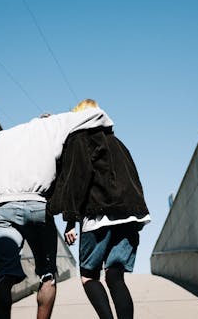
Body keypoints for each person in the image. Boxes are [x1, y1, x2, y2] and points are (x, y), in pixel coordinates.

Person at [0, 106, 113, 319]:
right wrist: (108, 132)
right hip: (38, 205)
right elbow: (98, 114)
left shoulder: (4, 136)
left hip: (3, 207)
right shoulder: (53, 124)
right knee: (47, 276)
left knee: (3, 275)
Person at [47, 99, 151, 319]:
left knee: (89, 276)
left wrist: (70, 220)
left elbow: (78, 179)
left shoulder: (80, 139)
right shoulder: (118, 142)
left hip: (99, 215)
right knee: (115, 276)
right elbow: (134, 178)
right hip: (129, 214)